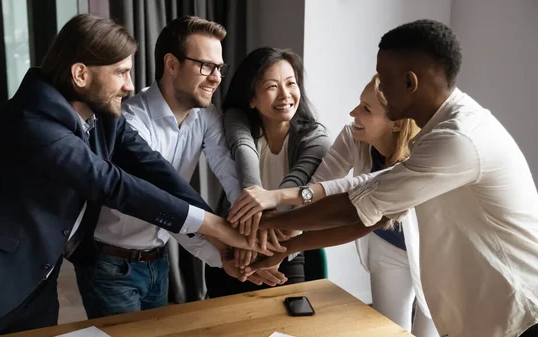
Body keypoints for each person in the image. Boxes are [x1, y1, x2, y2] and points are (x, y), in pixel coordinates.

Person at [0, 14, 262, 337]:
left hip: (39, 276)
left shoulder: (102, 113)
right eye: (121, 72)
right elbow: (111, 184)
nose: (130, 85)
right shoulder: (33, 120)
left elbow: (152, 167)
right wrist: (212, 225)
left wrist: (211, 227)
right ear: (80, 74)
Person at [238, 19, 538, 337]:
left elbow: (355, 206)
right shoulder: (441, 130)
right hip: (485, 313)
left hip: (519, 314)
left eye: (384, 78)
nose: (379, 87)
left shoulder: (457, 138)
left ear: (410, 82)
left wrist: (265, 224)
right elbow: (368, 214)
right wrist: (287, 245)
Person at [73, 16, 285, 319]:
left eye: (219, 68)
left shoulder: (207, 116)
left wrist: (250, 225)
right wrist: (223, 244)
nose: (216, 77)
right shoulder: (131, 121)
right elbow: (162, 201)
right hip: (111, 265)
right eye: (206, 66)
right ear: (171, 64)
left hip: (158, 260)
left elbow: (227, 170)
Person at [229, 74, 439, 336]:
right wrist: (281, 249)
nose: (353, 113)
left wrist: (276, 197)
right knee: (390, 330)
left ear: (396, 123)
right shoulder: (353, 135)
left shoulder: (422, 155)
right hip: (386, 245)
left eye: (366, 109)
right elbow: (323, 186)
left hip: (435, 254)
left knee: (428, 332)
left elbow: (355, 189)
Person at [205, 47, 331, 297]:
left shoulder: (315, 138)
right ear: (251, 97)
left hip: (285, 248)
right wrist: (247, 240)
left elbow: (292, 189)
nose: (285, 95)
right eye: (272, 86)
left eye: (291, 83)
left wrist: (260, 242)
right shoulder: (237, 122)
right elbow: (246, 164)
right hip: (236, 246)